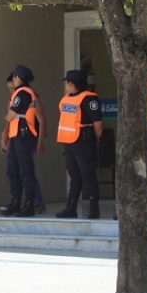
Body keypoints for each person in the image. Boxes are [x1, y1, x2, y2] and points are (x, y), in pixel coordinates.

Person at [54, 70, 104, 218]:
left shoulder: (89, 99)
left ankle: (94, 209)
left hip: (84, 142)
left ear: (71, 83)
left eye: (66, 82)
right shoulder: (65, 100)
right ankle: (71, 208)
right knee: (74, 176)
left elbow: (98, 124)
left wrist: (94, 140)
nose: (66, 85)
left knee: (88, 176)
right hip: (70, 143)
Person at [1, 65, 43, 217]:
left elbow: (11, 115)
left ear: (18, 77)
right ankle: (15, 202)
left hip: (24, 136)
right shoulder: (21, 92)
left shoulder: (23, 93)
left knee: (26, 170)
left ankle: (29, 204)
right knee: (12, 169)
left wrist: (6, 117)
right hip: (16, 136)